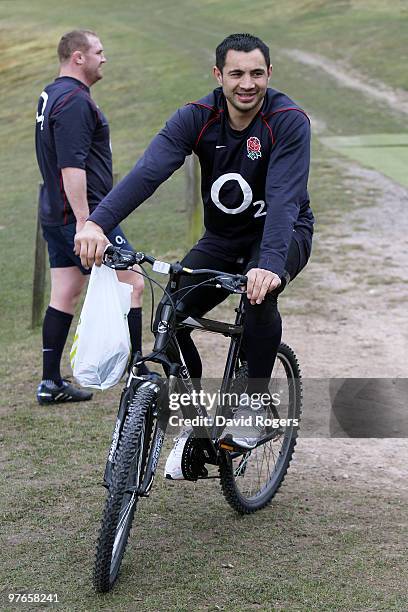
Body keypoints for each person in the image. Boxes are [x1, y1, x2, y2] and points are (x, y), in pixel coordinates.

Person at [74, 33, 314, 473]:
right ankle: (195, 419)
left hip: (283, 232)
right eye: (237, 73)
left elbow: (283, 199)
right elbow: (148, 173)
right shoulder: (197, 117)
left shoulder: (288, 120)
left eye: (256, 73)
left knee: (260, 293)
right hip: (224, 237)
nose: (247, 83)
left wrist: (270, 265)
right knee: (172, 308)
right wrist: (96, 222)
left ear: (269, 75)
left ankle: (255, 407)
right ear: (218, 75)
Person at [35, 29, 147, 405]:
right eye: (98, 52)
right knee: (133, 282)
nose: (104, 58)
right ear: (78, 57)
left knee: (65, 291)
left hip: (53, 212)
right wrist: (87, 223)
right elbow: (72, 166)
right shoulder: (74, 101)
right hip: (83, 216)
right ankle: (137, 373)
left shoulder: (52, 93)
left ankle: (50, 382)